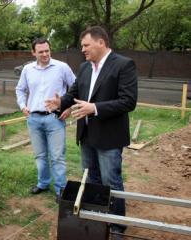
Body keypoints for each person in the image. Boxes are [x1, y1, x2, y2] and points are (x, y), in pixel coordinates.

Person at [45, 26, 138, 236]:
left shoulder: (123, 65)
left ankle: (116, 225)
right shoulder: (86, 67)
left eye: (86, 45)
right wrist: (60, 102)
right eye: (82, 46)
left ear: (101, 43)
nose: (83, 50)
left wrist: (95, 108)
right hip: (87, 135)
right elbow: (74, 93)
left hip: (109, 136)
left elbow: (128, 101)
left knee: (111, 181)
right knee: (92, 179)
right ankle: (98, 219)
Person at [15, 38, 76, 202]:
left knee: (57, 156)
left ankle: (61, 189)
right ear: (33, 52)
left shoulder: (61, 67)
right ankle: (43, 183)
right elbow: (20, 89)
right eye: (40, 51)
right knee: (40, 155)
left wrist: (68, 107)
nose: (44, 54)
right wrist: (22, 106)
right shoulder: (27, 69)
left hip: (54, 118)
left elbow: (76, 87)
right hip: (33, 119)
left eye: (47, 51)